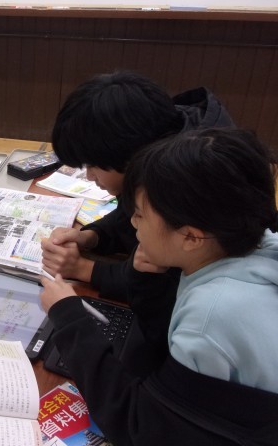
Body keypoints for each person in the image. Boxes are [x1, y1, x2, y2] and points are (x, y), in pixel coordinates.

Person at [40, 128, 278, 445]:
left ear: (191, 237)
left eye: (139, 215)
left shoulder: (211, 316)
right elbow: (164, 341)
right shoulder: (254, 245)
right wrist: (146, 278)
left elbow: (139, 428)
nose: (132, 224)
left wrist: (69, 318)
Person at [41, 71, 236, 303]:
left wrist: (83, 269)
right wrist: (92, 236)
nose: (90, 176)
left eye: (93, 165)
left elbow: (163, 285)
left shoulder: (190, 184)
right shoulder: (157, 138)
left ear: (128, 156)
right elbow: (131, 214)